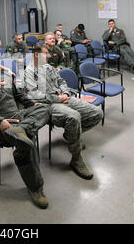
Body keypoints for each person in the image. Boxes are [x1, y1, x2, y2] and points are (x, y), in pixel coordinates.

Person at [0, 54, 51, 209]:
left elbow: (19, 95)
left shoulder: (5, 78)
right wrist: (0, 120)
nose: (0, 66)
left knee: (45, 108)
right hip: (1, 124)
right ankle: (36, 188)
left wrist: (32, 103)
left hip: (19, 119)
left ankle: (21, 130)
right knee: (28, 139)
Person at [24, 44, 102, 179]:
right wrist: (57, 98)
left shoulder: (48, 67)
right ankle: (76, 158)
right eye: (45, 53)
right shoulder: (29, 72)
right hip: (49, 104)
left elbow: (61, 80)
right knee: (74, 116)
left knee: (96, 113)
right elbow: (35, 95)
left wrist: (65, 93)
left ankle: (72, 135)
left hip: (64, 97)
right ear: (37, 55)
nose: (48, 55)